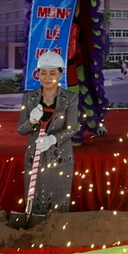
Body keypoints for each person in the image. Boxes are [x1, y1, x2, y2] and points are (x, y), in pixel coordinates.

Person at [17, 51, 79, 214]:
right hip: (34, 158)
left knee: (58, 205)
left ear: (61, 73)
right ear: (37, 74)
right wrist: (31, 121)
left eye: (52, 73)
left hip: (60, 159)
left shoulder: (71, 98)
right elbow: (20, 130)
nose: (47, 77)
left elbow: (72, 128)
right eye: (43, 73)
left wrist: (53, 139)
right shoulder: (29, 98)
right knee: (33, 202)